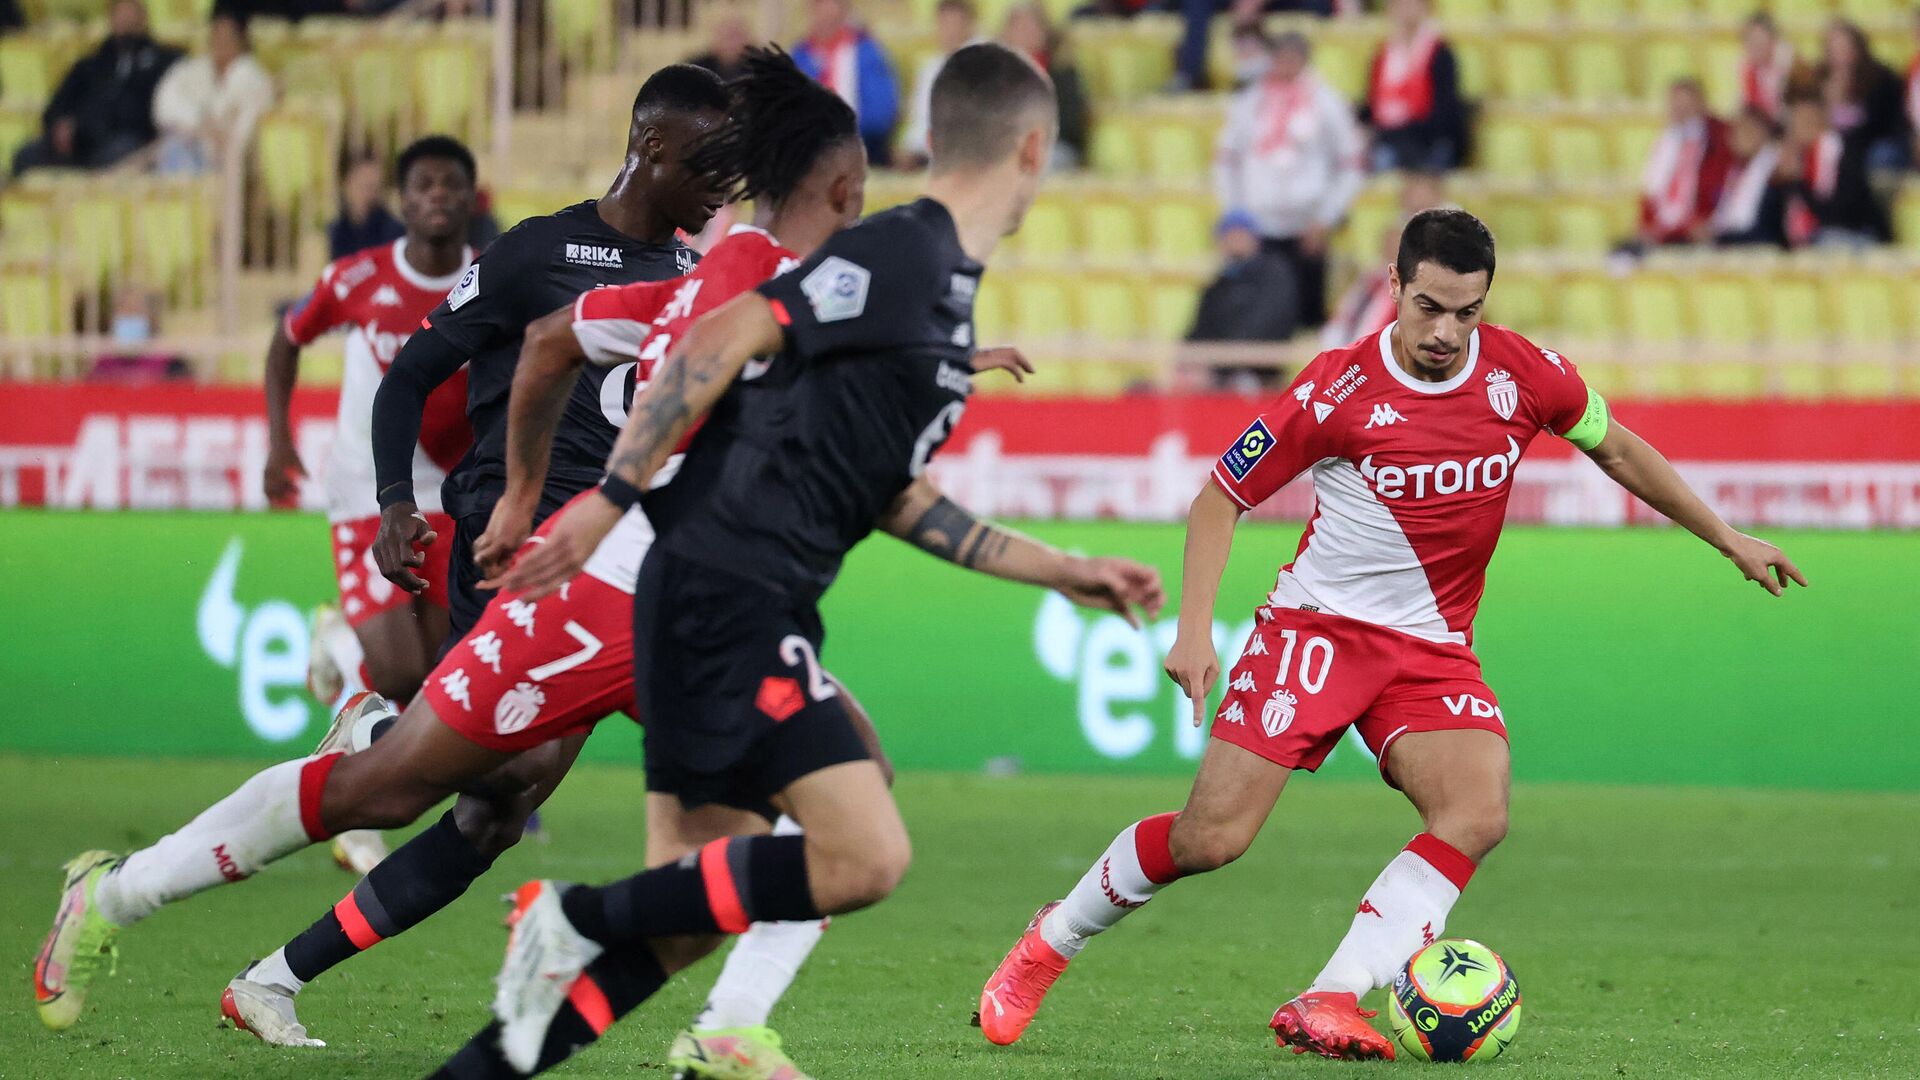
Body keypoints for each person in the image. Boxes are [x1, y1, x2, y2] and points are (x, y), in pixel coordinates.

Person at [431, 43, 1163, 1078]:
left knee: (686, 920)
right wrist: (606, 502)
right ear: (1035, 147)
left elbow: (891, 493)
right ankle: (567, 913)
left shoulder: (936, 286)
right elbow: (716, 339)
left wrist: (1062, 568)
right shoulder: (907, 254)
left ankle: (491, 1061)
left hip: (732, 594)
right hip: (723, 592)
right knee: (865, 855)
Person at [975, 207, 1806, 1061]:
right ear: (1395, 284)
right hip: (1318, 633)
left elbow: (1621, 451)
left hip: (1430, 648)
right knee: (1209, 840)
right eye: (1429, 307)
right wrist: (1194, 632)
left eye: (1467, 312)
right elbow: (1220, 496)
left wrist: (1728, 537)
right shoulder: (1337, 388)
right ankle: (1049, 944)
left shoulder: (1526, 375)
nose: (1446, 331)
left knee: (1476, 811)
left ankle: (1330, 995)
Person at [264, 135, 477, 707]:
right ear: (402, 202)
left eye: (450, 185)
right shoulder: (355, 279)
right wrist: (278, 442)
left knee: (437, 679)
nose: (437, 196)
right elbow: (286, 342)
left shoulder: (493, 280)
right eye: (423, 185)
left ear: (471, 199)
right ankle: (337, 635)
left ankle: (475, 798)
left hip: (455, 495)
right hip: (367, 492)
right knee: (401, 674)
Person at [1214, 28, 1365, 328]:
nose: (1284, 66)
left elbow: (1352, 165)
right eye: (1279, 58)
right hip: (1258, 227)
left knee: (1309, 315)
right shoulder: (1249, 103)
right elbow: (1225, 161)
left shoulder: (1327, 103)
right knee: (1260, 312)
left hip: (1308, 226)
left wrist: (1327, 216)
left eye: (1291, 59)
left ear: (1304, 60)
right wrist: (1236, 216)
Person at [11, 0, 181, 176]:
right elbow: (56, 107)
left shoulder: (165, 62)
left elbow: (165, 112)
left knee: (121, 152)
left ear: (144, 19)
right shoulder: (89, 64)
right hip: (79, 142)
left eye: (131, 15)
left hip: (130, 141)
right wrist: (60, 124)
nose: (126, 21)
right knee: (26, 156)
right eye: (121, 15)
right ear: (111, 20)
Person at [151, 6, 273, 174]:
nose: (220, 43)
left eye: (227, 37)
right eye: (216, 36)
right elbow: (164, 105)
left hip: (232, 155)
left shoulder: (255, 78)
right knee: (172, 147)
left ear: (242, 40)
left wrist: (221, 136)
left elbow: (248, 126)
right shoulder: (190, 70)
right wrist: (200, 123)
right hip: (191, 145)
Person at [1186, 209, 1301, 374]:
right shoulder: (1218, 285)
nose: (1234, 241)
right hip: (1218, 368)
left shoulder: (1274, 274)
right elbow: (1198, 330)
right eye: (1228, 236)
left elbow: (1267, 324)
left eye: (1240, 235)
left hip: (1257, 370)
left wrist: (1219, 364)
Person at [791, 0, 900, 166]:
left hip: (860, 147)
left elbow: (881, 114)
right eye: (820, 4)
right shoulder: (799, 55)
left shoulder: (867, 51)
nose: (827, 12)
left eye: (834, 4)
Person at [1362, 0, 1464, 173]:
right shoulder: (1383, 55)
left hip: (1428, 139)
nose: (1405, 9)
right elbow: (1373, 103)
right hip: (1389, 137)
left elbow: (1445, 110)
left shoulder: (1440, 53)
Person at [1778, 91, 1889, 246]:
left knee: (1828, 239)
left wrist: (1798, 181)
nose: (1797, 130)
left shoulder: (1842, 152)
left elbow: (1840, 214)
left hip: (1856, 234)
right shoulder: (1799, 158)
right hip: (1820, 236)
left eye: (1806, 122)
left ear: (1821, 122)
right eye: (1795, 123)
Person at [1638, 78, 1732, 247]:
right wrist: (1647, 225)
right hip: (1663, 229)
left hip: (1701, 227)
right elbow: (1651, 192)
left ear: (1701, 105)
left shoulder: (1720, 138)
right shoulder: (1665, 142)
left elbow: (1725, 185)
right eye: (1676, 105)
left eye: (1686, 106)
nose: (1680, 111)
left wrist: (1708, 221)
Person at [1815, 18, 1910, 176]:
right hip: (1839, 144)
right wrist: (1831, 100)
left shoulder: (1880, 78)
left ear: (1857, 47)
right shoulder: (1820, 79)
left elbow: (1881, 123)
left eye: (1844, 46)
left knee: (1879, 155)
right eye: (1833, 47)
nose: (1838, 53)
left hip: (1876, 142)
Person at [1000, 2, 1089, 169]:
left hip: (1054, 147)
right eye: (1018, 25)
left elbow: (1070, 124)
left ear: (1044, 30)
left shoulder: (1062, 71)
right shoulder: (997, 76)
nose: (1025, 31)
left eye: (1031, 24)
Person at [897, 0, 979, 170]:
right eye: (944, 23)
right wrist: (909, 148)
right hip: (930, 151)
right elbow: (920, 119)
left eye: (955, 24)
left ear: (969, 25)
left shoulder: (987, 63)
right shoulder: (929, 68)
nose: (949, 31)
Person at [1712, 105, 1788, 248]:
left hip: (1761, 244)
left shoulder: (1776, 163)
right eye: (1734, 132)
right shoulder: (1736, 170)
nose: (1735, 137)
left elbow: (1763, 227)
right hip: (1734, 240)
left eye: (1744, 130)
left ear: (1763, 132)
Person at [327, 154, 406, 260]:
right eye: (361, 185)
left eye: (373, 186)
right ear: (346, 184)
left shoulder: (394, 232)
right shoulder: (335, 230)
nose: (367, 193)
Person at [1736, 11, 1801, 123]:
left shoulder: (1791, 66)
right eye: (1750, 39)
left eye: (1759, 38)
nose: (1755, 45)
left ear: (1773, 39)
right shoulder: (1746, 68)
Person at [687, 8, 753, 82]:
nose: (731, 43)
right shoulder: (696, 68)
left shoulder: (758, 70)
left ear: (748, 39)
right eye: (726, 35)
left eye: (736, 35)